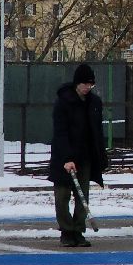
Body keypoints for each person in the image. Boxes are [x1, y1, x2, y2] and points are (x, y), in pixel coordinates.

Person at [47, 63, 108, 248]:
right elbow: (61, 132)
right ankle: (66, 231)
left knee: (83, 198)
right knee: (62, 196)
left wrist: (100, 156)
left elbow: (97, 132)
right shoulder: (64, 102)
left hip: (86, 157)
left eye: (91, 84)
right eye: (85, 84)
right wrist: (67, 158)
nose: (88, 87)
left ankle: (78, 231)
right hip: (64, 158)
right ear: (77, 83)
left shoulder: (94, 103)